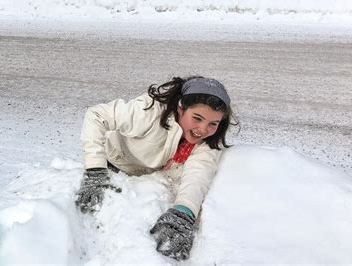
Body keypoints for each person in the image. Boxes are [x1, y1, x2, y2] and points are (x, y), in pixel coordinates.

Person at [75, 76, 237, 260]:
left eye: (213, 124)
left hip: (147, 172)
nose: (202, 129)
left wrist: (184, 212)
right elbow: (96, 115)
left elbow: (199, 175)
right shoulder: (149, 112)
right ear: (180, 108)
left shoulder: (207, 143)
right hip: (113, 161)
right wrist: (95, 169)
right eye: (197, 118)